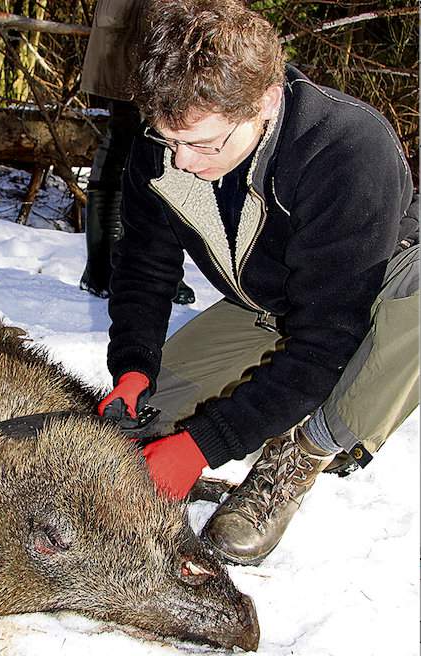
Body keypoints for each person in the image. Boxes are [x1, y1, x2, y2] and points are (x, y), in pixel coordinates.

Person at [97, 0, 419, 566]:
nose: (183, 161)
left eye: (202, 144)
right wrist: (132, 367)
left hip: (367, 305)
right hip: (266, 305)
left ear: (266, 101)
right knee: (134, 433)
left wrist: (203, 446)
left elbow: (327, 340)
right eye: (169, 140)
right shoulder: (165, 147)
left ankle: (301, 454)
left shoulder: (345, 147)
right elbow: (145, 265)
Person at [79, 0, 195, 304]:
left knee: (165, 143)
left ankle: (153, 268)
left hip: (171, 22)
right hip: (132, 22)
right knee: (128, 135)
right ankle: (103, 267)